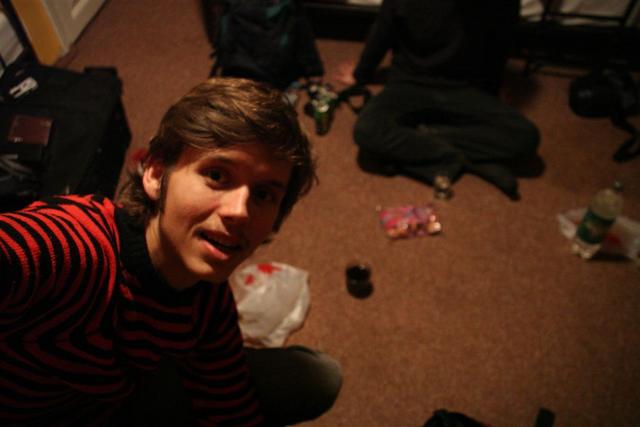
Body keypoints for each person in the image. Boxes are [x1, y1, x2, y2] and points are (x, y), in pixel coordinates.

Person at [0, 77, 341, 426]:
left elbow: (228, 403)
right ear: (156, 173)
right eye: (217, 175)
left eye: (264, 194)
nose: (241, 212)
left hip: (110, 404)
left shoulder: (207, 304)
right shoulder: (75, 245)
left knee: (319, 378)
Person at [337, 0, 541, 200]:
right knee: (366, 130)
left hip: (465, 89)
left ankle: (420, 139)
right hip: (409, 83)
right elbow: (383, 30)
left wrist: (493, 92)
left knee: (525, 137)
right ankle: (459, 158)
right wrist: (361, 74)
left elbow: (498, 49)